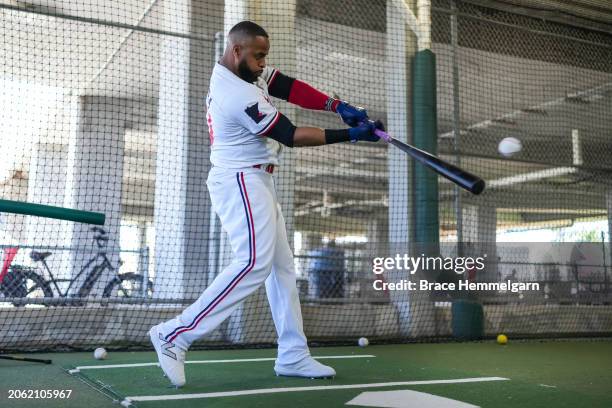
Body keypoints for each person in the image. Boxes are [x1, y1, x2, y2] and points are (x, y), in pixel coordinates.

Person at [150, 20, 382, 387]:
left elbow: (287, 86)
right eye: (258, 56)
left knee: (282, 268)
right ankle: (175, 334)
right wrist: (351, 135)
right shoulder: (234, 93)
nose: (263, 64)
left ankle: (293, 355)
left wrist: (337, 105)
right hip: (240, 179)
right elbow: (289, 135)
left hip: (257, 178)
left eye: (265, 57)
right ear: (236, 50)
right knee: (253, 264)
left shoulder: (246, 71)